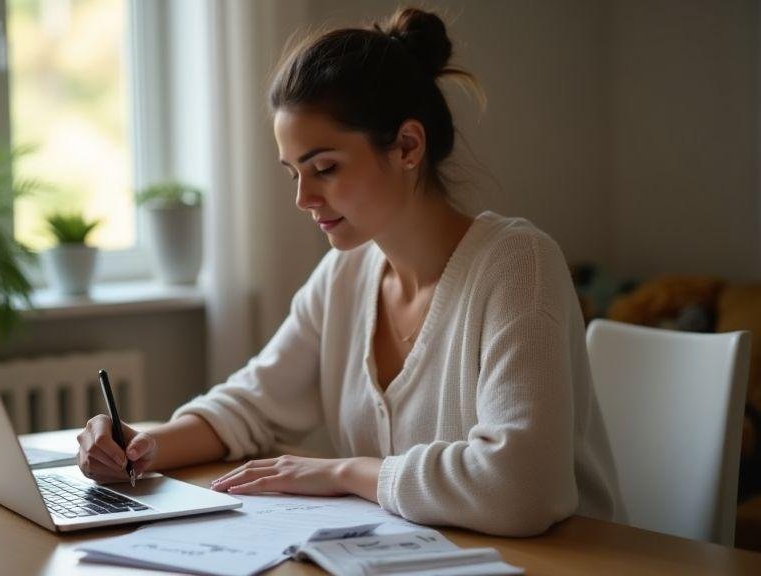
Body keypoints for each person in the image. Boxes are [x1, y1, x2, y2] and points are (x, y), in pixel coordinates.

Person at [77, 6, 624, 537]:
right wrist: (142, 446)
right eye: (293, 172)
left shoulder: (517, 265)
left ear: (408, 146)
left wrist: (344, 472)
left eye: (325, 168)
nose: (303, 197)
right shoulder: (346, 276)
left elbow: (521, 490)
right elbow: (252, 405)